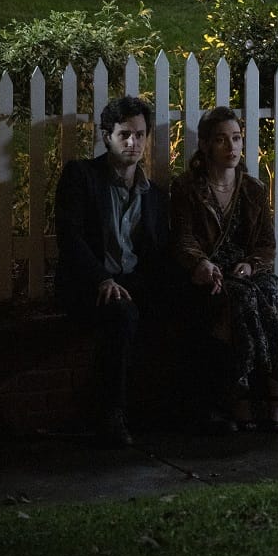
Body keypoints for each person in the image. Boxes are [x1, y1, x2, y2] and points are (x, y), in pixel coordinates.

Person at [170, 106, 278, 433]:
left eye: (236, 139)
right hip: (213, 274)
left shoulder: (253, 189)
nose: (232, 148)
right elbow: (183, 238)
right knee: (243, 302)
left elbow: (266, 243)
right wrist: (201, 263)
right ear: (206, 145)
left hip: (246, 271)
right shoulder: (187, 188)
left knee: (272, 294)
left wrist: (252, 264)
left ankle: (276, 392)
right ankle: (239, 395)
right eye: (222, 140)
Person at [54, 95, 169, 447]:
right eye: (124, 135)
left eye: (139, 134)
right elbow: (69, 238)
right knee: (121, 314)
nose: (133, 143)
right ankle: (111, 414)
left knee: (187, 305)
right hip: (88, 283)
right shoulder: (81, 176)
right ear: (107, 136)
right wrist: (101, 278)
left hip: (132, 280)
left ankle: (191, 407)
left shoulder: (153, 194)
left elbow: (156, 252)